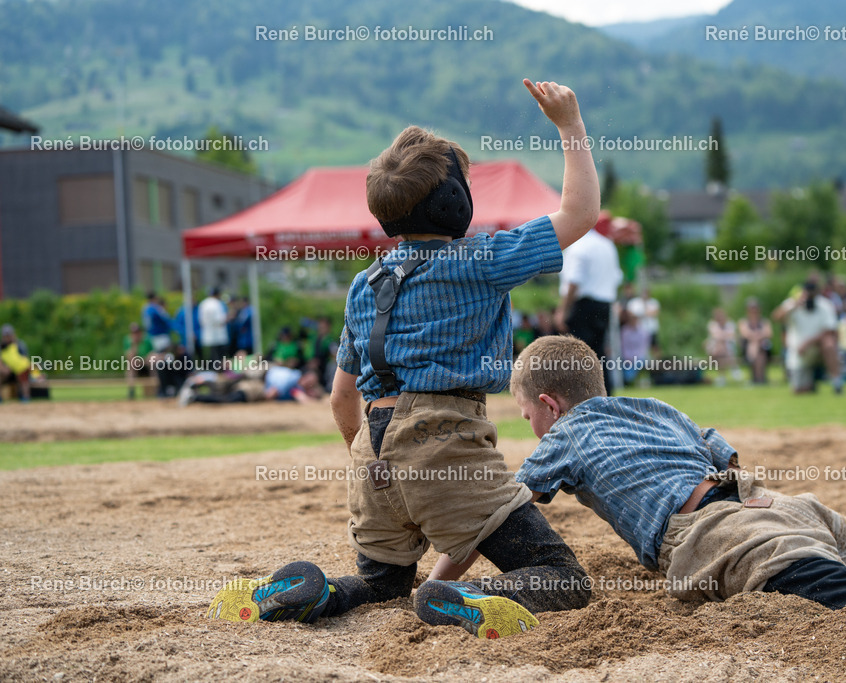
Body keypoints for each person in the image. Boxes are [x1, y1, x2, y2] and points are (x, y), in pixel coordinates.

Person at [206, 78, 598, 637]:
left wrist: (376, 463)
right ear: (455, 203)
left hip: (371, 454)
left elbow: (342, 397)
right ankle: (468, 596)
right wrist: (569, 126)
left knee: (383, 585)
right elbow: (579, 213)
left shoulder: (363, 286)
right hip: (446, 444)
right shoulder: (481, 259)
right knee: (562, 577)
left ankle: (311, 591)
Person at [434, 335, 846, 610]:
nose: (532, 427)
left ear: (549, 404)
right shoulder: (653, 408)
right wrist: (749, 495)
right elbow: (721, 449)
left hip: (719, 535)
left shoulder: (564, 434)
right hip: (774, 506)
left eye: (526, 415)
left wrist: (437, 577)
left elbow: (498, 511)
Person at [556, 219, 622, 393]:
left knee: (578, 353)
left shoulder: (578, 247)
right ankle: (604, 392)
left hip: (583, 305)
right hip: (604, 303)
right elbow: (617, 277)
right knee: (599, 352)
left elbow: (573, 282)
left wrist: (563, 310)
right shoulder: (607, 245)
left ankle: (580, 394)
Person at [772, 280, 843, 394]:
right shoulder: (792, 303)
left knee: (829, 343)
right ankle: (811, 381)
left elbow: (830, 331)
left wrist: (808, 342)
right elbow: (776, 317)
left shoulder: (825, 305)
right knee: (800, 391)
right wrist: (794, 306)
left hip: (818, 349)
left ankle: (837, 382)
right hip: (799, 353)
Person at [737, 298, 772, 384]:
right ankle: (760, 378)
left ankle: (757, 378)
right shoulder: (743, 322)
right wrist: (758, 335)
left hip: (763, 348)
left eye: (755, 308)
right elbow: (745, 333)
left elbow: (769, 333)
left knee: (758, 346)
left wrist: (755, 337)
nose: (754, 311)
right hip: (748, 348)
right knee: (755, 345)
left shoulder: (764, 321)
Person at [705, 307, 742, 385]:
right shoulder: (712, 324)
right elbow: (716, 336)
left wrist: (722, 336)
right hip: (715, 349)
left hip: (727, 348)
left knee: (722, 348)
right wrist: (725, 336)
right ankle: (734, 368)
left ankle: (722, 377)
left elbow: (731, 336)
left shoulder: (730, 324)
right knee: (721, 348)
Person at [618, 308, 651, 386]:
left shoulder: (643, 332)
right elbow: (623, 346)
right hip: (627, 358)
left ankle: (634, 380)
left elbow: (643, 347)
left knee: (638, 364)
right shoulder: (625, 331)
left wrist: (635, 358)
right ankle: (630, 381)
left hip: (639, 358)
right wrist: (628, 358)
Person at [0, 324, 31, 402]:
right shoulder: (2, 347)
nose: (8, 337)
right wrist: (4, 368)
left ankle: (25, 397)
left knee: (23, 377)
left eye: (9, 335)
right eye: (6, 336)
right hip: (6, 371)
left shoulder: (20, 345)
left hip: (19, 369)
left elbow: (24, 359)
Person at [123, 322, 153, 400]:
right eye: (133, 333)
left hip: (147, 365)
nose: (135, 334)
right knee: (131, 363)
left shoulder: (147, 340)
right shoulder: (128, 340)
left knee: (152, 362)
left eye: (137, 332)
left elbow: (152, 354)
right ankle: (131, 391)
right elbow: (129, 356)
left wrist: (144, 360)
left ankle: (157, 390)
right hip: (136, 366)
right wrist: (134, 344)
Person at [198, 287, 229, 363]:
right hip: (218, 333)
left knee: (211, 354)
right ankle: (219, 370)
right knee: (219, 356)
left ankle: (213, 370)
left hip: (208, 333)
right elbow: (219, 319)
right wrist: (228, 318)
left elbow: (201, 320)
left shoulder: (203, 303)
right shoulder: (217, 303)